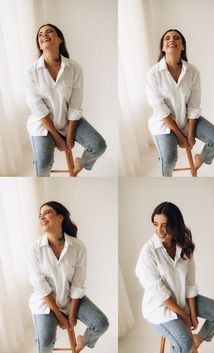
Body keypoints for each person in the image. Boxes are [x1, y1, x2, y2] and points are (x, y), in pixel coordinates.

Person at [135, 202, 214, 353]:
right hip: (159, 307)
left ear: (175, 225)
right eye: (155, 224)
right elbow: (159, 293)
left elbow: (189, 284)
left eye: (165, 225)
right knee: (184, 343)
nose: (159, 230)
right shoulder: (148, 252)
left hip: (182, 299)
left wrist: (192, 313)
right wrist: (185, 317)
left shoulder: (184, 246)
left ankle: (197, 340)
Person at [25, 24, 107, 177]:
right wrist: (58, 139)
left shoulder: (74, 68)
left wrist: (69, 138)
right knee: (43, 163)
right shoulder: (31, 72)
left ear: (60, 39)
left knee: (99, 145)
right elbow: (37, 108)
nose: (44, 35)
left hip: (68, 119)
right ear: (39, 44)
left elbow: (75, 106)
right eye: (40, 34)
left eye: (49, 31)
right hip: (43, 124)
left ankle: (78, 166)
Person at [29, 201, 109, 353]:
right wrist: (60, 317)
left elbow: (78, 284)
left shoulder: (78, 246)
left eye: (46, 212)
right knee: (45, 341)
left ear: (60, 217)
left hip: (70, 298)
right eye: (40, 215)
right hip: (45, 302)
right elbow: (40, 286)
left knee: (101, 323)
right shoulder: (35, 249)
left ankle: (82, 342)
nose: (42, 217)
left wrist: (71, 317)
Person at [146, 29, 214, 177]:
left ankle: (200, 159)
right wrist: (181, 137)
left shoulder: (192, 71)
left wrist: (189, 134)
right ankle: (166, 173)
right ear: (163, 48)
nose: (172, 40)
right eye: (167, 38)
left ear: (182, 46)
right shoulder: (153, 73)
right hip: (164, 124)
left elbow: (194, 105)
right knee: (169, 159)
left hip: (187, 119)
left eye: (176, 38)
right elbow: (160, 109)